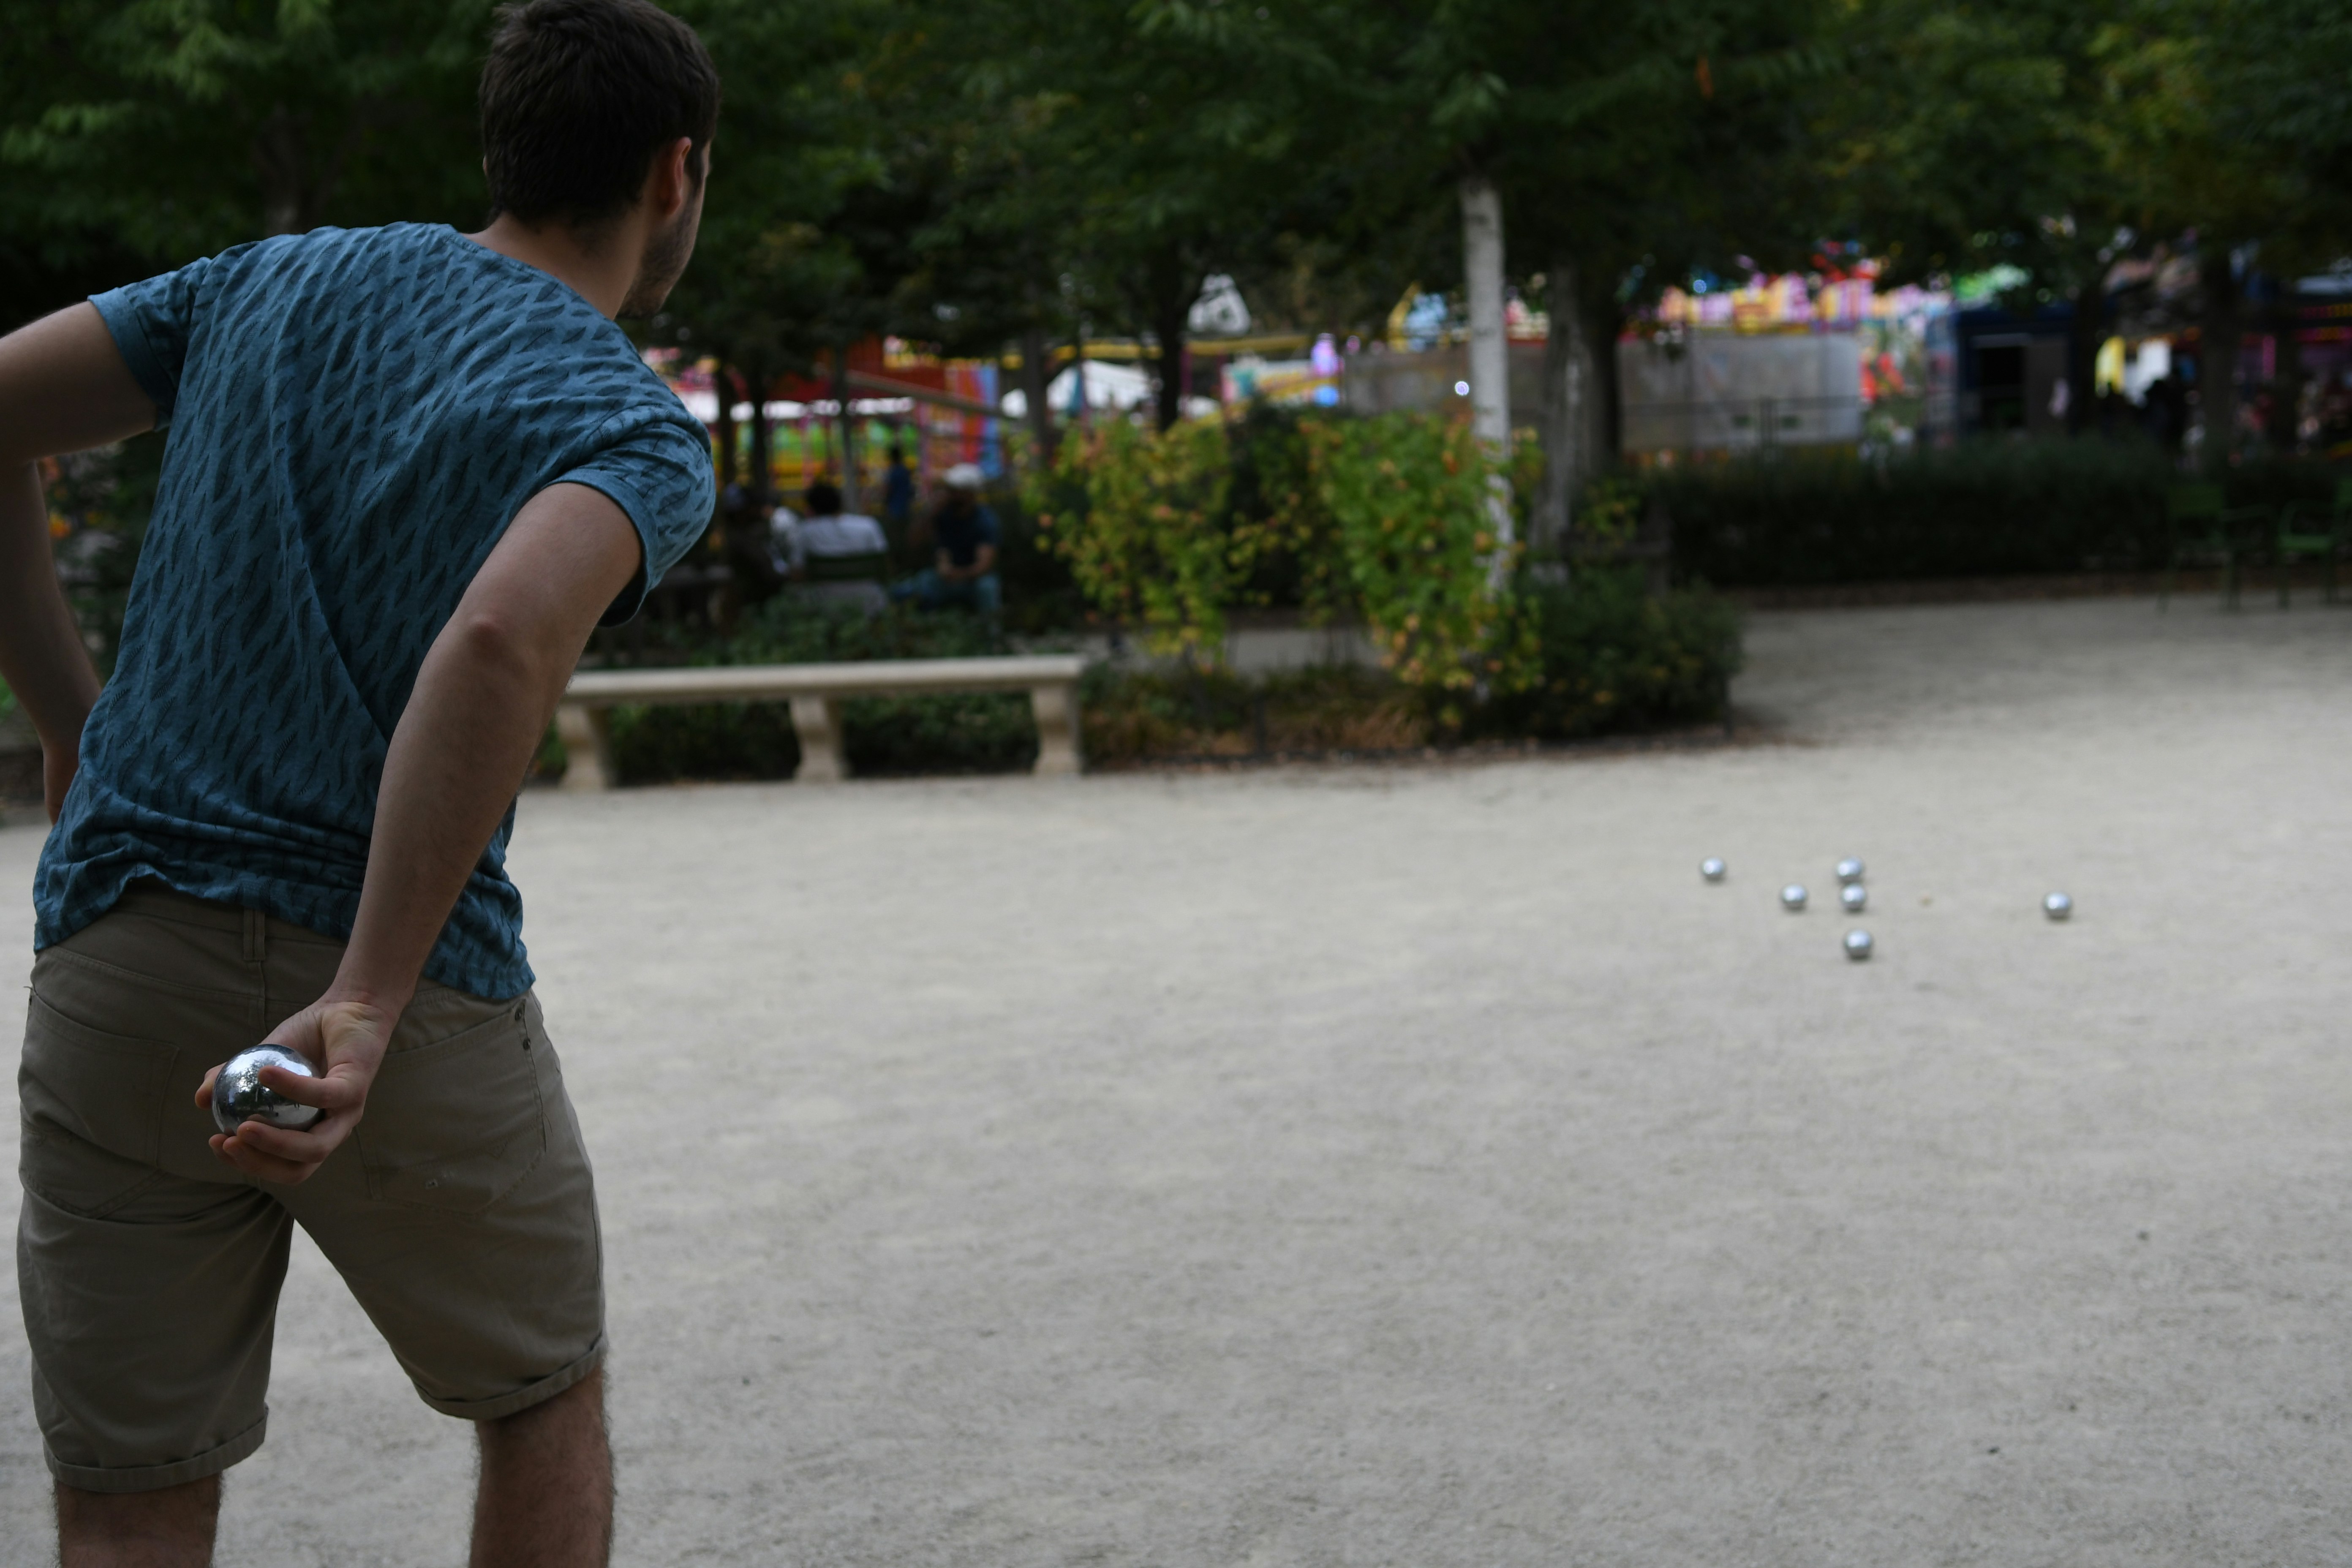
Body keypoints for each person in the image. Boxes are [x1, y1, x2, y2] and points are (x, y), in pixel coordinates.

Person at [0, 2, 720, 1563]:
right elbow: (498, 636)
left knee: (131, 1486)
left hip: (121, 946)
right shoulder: (627, 425)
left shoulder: (269, 278)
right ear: (677, 175)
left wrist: (74, 715)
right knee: (537, 1392)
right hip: (401, 986)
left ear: (503, 150)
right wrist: (374, 992)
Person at [893, 462, 1001, 613]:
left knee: (987, 587)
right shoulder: (942, 514)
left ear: (970, 494)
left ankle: (991, 631)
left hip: (972, 581)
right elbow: (913, 542)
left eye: (955, 491)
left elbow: (984, 565)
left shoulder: (984, 521)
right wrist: (930, 511)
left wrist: (956, 574)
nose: (949, 494)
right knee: (905, 590)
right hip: (941, 579)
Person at [779, 478, 890, 611]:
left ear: (812, 508)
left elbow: (797, 574)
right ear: (840, 503)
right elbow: (886, 567)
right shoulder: (869, 525)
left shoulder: (807, 531)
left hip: (824, 604)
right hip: (870, 602)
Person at [881, 442, 915, 529]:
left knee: (895, 530)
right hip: (905, 507)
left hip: (895, 507)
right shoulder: (905, 471)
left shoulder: (893, 472)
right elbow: (911, 489)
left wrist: (885, 501)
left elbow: (889, 488)